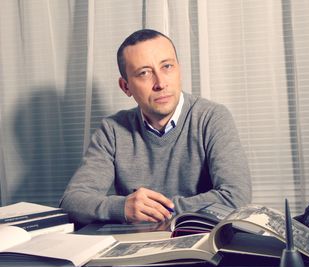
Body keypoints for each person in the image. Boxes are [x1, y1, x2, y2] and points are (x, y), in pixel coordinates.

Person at [60, 29, 251, 225]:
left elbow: (236, 198)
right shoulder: (113, 131)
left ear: (179, 70)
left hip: (201, 244)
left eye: (167, 67)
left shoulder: (212, 118)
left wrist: (155, 210)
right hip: (137, 248)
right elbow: (71, 202)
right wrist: (123, 207)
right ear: (126, 86)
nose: (160, 83)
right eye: (144, 73)